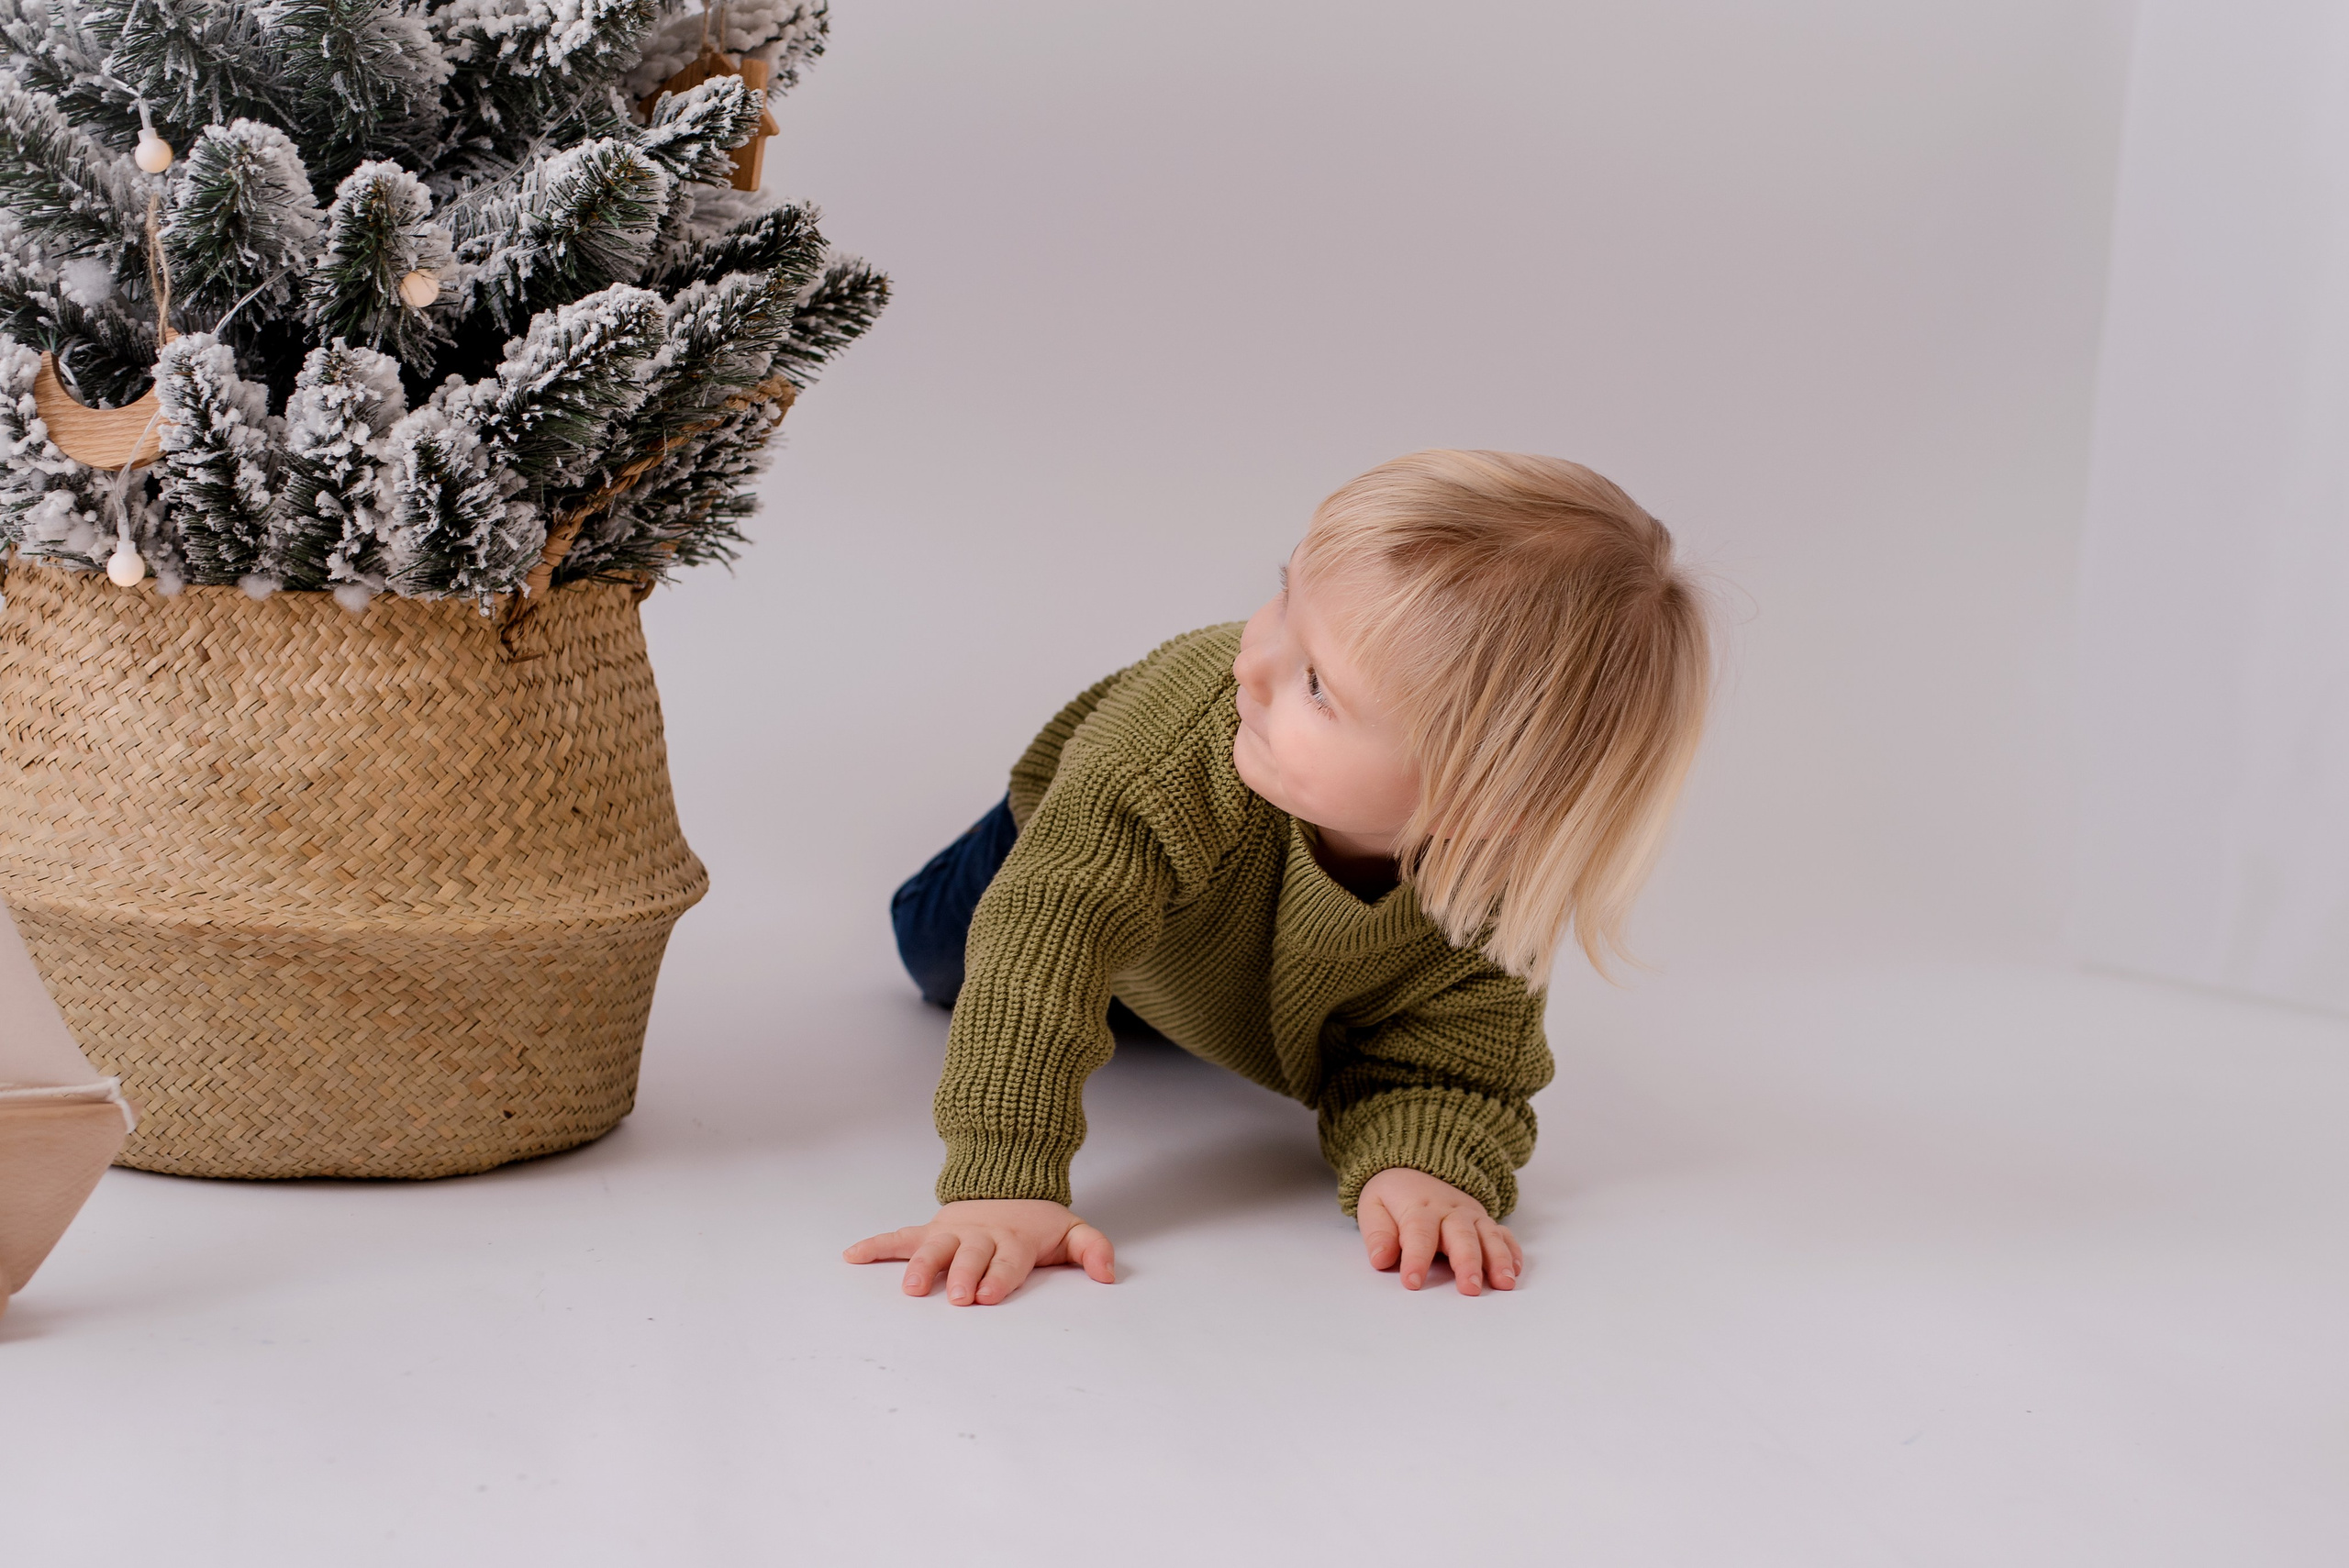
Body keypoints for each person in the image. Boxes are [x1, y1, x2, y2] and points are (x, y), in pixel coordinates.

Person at [847, 450, 1713, 1305]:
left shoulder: (1481, 898)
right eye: (1284, 596)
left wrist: (1421, 1164)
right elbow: (1043, 940)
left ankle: (1154, 1006)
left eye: (1316, 686)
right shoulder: (1181, 737)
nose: (1248, 662)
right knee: (938, 949)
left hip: (1219, 967)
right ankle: (1094, 969)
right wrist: (1005, 1181)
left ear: (1483, 805)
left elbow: (1452, 1062)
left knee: (1173, 1011)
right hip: (1056, 860)